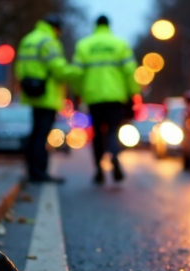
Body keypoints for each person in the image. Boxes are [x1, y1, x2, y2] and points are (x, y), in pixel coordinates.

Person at [72, 15, 140, 184]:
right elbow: (130, 71)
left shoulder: (84, 45)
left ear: (95, 26)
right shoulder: (120, 44)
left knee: (96, 134)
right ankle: (114, 156)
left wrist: (78, 93)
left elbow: (76, 74)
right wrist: (133, 92)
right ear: (109, 25)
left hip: (93, 97)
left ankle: (99, 170)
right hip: (115, 97)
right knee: (112, 130)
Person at [15, 14, 78, 183]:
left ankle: (31, 170)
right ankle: (39, 172)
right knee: (42, 135)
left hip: (31, 92)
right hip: (47, 95)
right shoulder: (48, 41)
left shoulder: (28, 39)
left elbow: (19, 67)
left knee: (35, 132)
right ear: (56, 28)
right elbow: (59, 69)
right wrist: (77, 72)